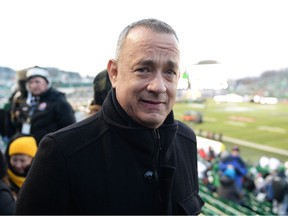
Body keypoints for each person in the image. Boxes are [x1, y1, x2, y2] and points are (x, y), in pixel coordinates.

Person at [15, 18, 204, 215]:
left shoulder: (186, 140)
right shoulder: (61, 152)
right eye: (143, 69)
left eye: (169, 72)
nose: (158, 86)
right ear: (114, 73)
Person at [10, 66, 76, 144]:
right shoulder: (24, 101)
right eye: (31, 82)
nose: (34, 85)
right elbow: (17, 123)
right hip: (28, 147)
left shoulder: (58, 101)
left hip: (49, 148)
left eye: (37, 81)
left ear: (46, 82)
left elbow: (69, 127)